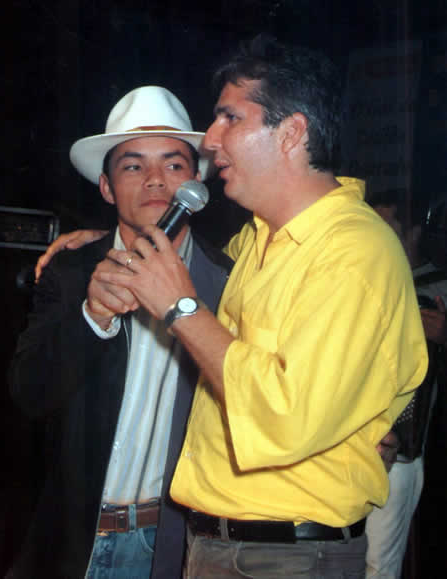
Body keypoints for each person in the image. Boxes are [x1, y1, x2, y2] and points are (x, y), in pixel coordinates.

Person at [84, 37, 428, 578]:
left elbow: (287, 419)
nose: (211, 139)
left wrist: (180, 307)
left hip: (285, 555)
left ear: (291, 132)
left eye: (229, 118)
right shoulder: (255, 241)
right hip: (221, 545)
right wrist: (95, 244)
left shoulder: (353, 252)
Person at [8, 86, 232, 579]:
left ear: (196, 182)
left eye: (174, 164)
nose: (155, 179)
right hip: (78, 541)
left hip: (178, 542)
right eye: (133, 166)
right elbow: (27, 395)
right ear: (107, 188)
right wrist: (93, 316)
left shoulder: (227, 282)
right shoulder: (71, 272)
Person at [365, 190, 447, 578]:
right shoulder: (360, 278)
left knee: (378, 566)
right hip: (351, 446)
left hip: (403, 450)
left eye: (387, 226)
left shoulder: (437, 286)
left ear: (413, 233)